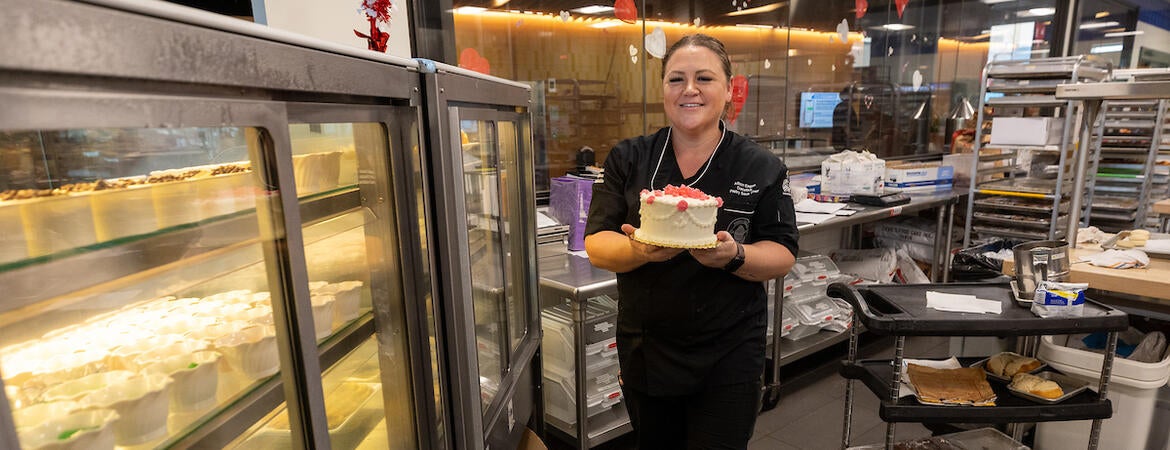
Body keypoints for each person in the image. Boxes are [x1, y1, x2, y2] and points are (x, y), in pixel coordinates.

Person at [583, 34, 799, 449]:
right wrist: (638, 250)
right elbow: (597, 243)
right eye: (676, 79)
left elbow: (783, 253)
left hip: (730, 354)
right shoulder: (629, 158)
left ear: (729, 88)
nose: (690, 89)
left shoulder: (761, 166)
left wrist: (735, 255)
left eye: (704, 78)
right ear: (663, 88)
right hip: (648, 350)